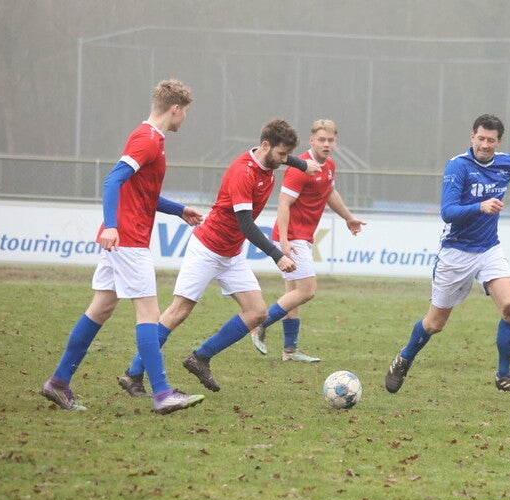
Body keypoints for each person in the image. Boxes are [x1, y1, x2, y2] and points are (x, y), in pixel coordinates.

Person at [116, 118, 321, 395]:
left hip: (231, 253)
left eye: (288, 155)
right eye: (283, 154)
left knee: (257, 312)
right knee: (178, 311)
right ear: (265, 146)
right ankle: (133, 373)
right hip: (207, 248)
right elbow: (245, 224)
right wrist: (277, 255)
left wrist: (302, 165)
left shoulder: (269, 159)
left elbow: (283, 159)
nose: (285, 160)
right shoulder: (243, 173)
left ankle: (200, 358)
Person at [41, 79, 206, 415]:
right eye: (185, 112)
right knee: (149, 314)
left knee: (100, 308)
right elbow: (113, 179)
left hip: (124, 239)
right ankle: (162, 393)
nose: (185, 118)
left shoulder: (151, 139)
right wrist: (112, 225)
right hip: (128, 240)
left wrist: (178, 210)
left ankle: (58, 382)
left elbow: (142, 192)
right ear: (175, 108)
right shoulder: (147, 139)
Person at [384, 114, 510, 397]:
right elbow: (448, 212)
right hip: (455, 252)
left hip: (489, 249)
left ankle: (504, 375)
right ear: (472, 137)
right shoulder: (458, 166)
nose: (484, 144)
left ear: (498, 141)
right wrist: (479, 207)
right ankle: (404, 358)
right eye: (480, 138)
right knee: (434, 324)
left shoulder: (508, 164)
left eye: (490, 140)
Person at [250, 119, 366, 362]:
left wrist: (349, 218)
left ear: (335, 142)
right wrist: (284, 241)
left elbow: (329, 193)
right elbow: (283, 204)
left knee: (293, 294)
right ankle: (259, 324)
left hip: (303, 237)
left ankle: (290, 351)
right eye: (321, 140)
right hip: (292, 238)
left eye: (330, 140)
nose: (326, 144)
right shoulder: (299, 168)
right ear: (312, 141)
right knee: (307, 290)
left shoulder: (329, 165)